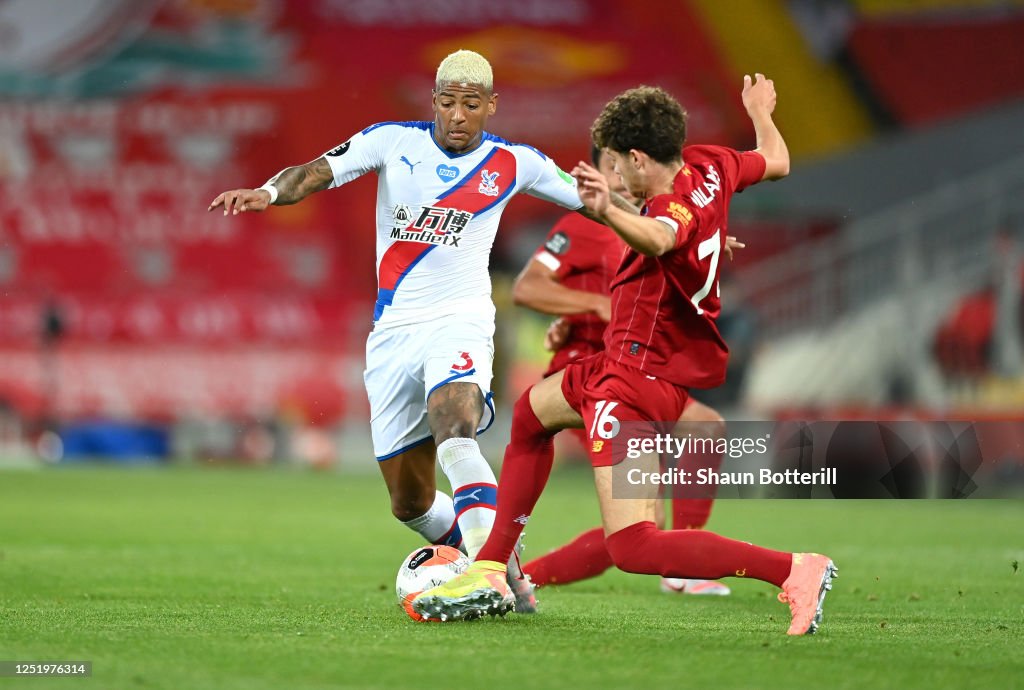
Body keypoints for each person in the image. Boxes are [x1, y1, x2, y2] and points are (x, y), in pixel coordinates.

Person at [414, 76, 839, 635]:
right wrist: (761, 112)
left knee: (635, 545)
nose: (610, 175)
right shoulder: (712, 163)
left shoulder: (665, 210)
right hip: (619, 366)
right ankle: (493, 565)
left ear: (639, 159)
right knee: (530, 413)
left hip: (636, 380)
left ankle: (793, 569)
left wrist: (607, 210)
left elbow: (662, 238)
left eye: (614, 164)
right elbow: (776, 160)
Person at [208, 50, 628, 612]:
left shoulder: (516, 161)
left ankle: (487, 571)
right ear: (433, 102)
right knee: (409, 503)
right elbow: (312, 171)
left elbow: (600, 203)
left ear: (490, 106)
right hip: (393, 332)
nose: (458, 115)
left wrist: (672, 231)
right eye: (448, 102)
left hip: (461, 318)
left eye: (471, 104)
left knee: (456, 423)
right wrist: (268, 192)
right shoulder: (391, 142)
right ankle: (502, 564)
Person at [512, 144, 734, 596]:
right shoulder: (580, 225)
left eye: (623, 164)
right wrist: (592, 306)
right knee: (643, 527)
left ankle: (684, 565)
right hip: (593, 377)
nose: (617, 174)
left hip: (642, 372)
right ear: (593, 173)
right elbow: (527, 287)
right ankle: (519, 576)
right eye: (607, 166)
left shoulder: (659, 222)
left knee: (705, 428)